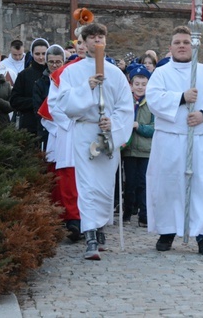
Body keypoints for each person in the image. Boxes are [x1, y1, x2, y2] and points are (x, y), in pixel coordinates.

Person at [50, 23, 134, 260]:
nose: (97, 41)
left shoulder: (116, 73)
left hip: (107, 134)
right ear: (83, 42)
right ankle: (89, 236)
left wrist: (114, 124)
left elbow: (125, 107)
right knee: (86, 185)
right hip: (85, 131)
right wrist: (86, 87)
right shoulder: (71, 72)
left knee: (105, 186)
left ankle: (99, 228)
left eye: (101, 37)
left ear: (105, 41)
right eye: (92, 37)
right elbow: (64, 104)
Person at [145, 26, 203, 256]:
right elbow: (153, 99)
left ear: (194, 46)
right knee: (168, 186)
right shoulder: (161, 73)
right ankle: (167, 230)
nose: (182, 45)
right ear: (170, 47)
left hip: (200, 139)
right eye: (177, 42)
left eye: (186, 42)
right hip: (170, 140)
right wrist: (181, 98)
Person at [37, 45, 83, 242]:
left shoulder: (104, 69)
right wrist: (70, 124)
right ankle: (71, 219)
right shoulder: (62, 74)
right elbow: (52, 106)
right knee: (66, 177)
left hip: (89, 130)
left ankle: (90, 223)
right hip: (67, 132)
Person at [121, 63, 154, 227]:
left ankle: (144, 214)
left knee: (144, 183)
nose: (140, 88)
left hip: (146, 150)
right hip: (128, 150)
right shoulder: (126, 102)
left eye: (144, 84)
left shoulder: (151, 104)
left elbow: (155, 128)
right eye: (137, 84)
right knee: (130, 183)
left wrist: (139, 126)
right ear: (131, 85)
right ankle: (127, 212)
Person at [10, 38, 49, 134]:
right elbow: (14, 100)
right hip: (29, 124)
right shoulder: (24, 75)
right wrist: (36, 102)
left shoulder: (53, 73)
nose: (41, 57)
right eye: (37, 54)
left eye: (44, 54)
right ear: (32, 54)